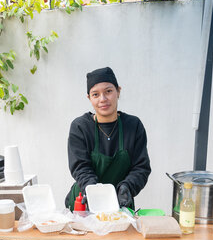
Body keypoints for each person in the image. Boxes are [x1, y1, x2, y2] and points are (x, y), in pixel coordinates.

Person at [65, 67, 151, 211]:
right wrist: (94, 192)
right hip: (85, 203)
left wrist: (127, 187)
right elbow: (80, 167)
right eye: (95, 94)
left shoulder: (133, 126)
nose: (103, 99)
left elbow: (141, 167)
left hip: (120, 203)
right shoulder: (80, 127)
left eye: (108, 91)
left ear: (118, 91)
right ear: (89, 98)